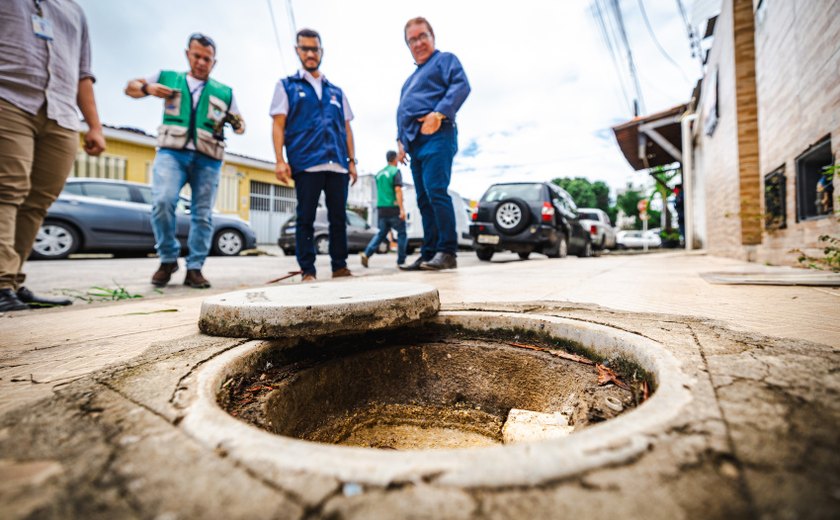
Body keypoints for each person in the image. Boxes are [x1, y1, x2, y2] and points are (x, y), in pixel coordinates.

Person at [0, 0, 106, 312]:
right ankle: (1, 282)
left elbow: (82, 74)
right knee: (8, 189)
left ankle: (13, 282)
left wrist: (95, 126)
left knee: (38, 199)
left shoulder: (73, 11)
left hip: (61, 112)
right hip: (9, 98)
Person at [125, 33, 246, 289]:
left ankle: (195, 267)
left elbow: (240, 125)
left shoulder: (225, 92)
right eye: (197, 56)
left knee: (202, 215)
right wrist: (147, 89)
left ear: (214, 61)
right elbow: (130, 87)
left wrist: (235, 122)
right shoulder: (168, 78)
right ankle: (168, 258)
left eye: (207, 58)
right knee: (162, 201)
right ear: (187, 54)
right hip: (172, 153)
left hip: (209, 158)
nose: (201, 62)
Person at [271, 28, 358, 282]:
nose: (310, 54)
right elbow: (278, 124)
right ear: (297, 51)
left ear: (321, 51)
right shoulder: (287, 86)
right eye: (305, 49)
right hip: (307, 163)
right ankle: (307, 270)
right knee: (306, 217)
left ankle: (339, 266)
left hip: (338, 165)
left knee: (338, 218)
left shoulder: (336, 92)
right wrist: (279, 160)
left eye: (314, 49)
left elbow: (347, 128)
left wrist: (352, 161)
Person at [397, 17, 470, 271]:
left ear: (432, 36)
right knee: (422, 198)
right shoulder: (408, 81)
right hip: (414, 142)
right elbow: (402, 112)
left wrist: (438, 113)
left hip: (438, 134)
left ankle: (447, 251)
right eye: (412, 40)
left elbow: (461, 85)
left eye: (422, 36)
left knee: (436, 191)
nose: (418, 43)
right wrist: (401, 141)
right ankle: (428, 253)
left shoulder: (445, 60)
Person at [359, 151, 407, 268]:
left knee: (381, 233)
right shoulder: (395, 171)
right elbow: (397, 190)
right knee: (401, 233)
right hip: (393, 207)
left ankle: (367, 253)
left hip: (381, 208)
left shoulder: (379, 174)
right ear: (395, 159)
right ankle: (401, 261)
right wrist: (402, 209)